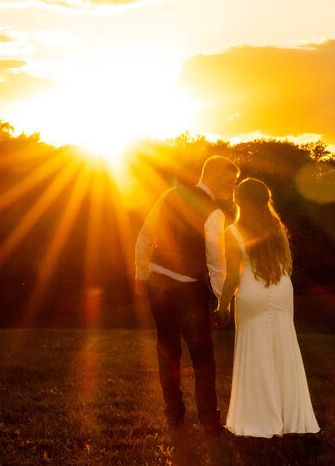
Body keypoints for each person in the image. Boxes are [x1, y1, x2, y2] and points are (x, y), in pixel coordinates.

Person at [135, 156, 239, 434]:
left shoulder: (170, 195)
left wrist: (142, 274)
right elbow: (216, 260)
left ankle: (174, 417)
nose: (232, 188)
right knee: (203, 356)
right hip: (188, 292)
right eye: (230, 182)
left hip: (158, 286)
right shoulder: (213, 212)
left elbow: (146, 236)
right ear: (215, 178)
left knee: (167, 351)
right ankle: (208, 420)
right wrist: (222, 300)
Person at [215, 178, 319, 438]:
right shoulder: (277, 228)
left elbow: (232, 278)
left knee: (255, 350)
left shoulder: (233, 232)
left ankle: (258, 418)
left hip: (252, 291)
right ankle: (291, 419)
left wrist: (222, 306)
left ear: (238, 201)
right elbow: (289, 266)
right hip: (282, 289)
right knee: (284, 348)